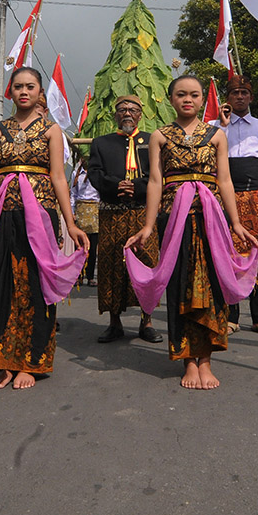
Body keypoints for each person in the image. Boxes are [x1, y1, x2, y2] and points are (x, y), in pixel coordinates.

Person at [0, 67, 89, 390]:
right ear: (10, 91)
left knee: (36, 285)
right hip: (4, 214)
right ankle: (4, 360)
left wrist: (73, 224)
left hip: (42, 215)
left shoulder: (52, 131)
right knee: (4, 285)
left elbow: (59, 179)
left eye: (30, 86)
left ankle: (31, 363)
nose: (24, 91)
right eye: (18, 86)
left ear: (39, 93)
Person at [125, 75, 258, 390]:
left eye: (194, 95)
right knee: (181, 284)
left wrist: (236, 223)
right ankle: (187, 359)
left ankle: (207, 359)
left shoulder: (217, 136)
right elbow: (156, 181)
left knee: (212, 283)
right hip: (174, 218)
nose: (188, 99)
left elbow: (224, 181)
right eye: (181, 94)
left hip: (211, 218)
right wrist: (147, 225)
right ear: (171, 99)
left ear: (203, 100)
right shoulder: (160, 136)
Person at [209, 75, 258, 336]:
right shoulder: (213, 127)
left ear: (251, 97)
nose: (239, 96)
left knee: (257, 253)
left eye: (244, 92)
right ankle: (230, 316)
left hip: (254, 199)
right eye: (234, 92)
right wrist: (222, 124)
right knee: (226, 254)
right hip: (221, 199)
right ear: (226, 97)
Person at [88, 95, 162, 343]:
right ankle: (114, 322)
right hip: (112, 212)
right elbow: (95, 173)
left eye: (133, 109)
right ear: (115, 114)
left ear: (141, 114)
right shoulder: (101, 143)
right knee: (111, 264)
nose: (127, 113)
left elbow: (158, 175)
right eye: (122, 109)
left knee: (147, 263)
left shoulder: (152, 141)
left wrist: (138, 186)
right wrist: (116, 185)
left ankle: (147, 321)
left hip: (143, 212)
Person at [69, 157, 100, 287]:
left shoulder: (98, 173)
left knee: (92, 247)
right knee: (79, 246)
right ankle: (79, 275)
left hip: (94, 210)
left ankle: (90, 276)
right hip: (81, 210)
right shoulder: (76, 174)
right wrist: (72, 212)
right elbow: (73, 194)